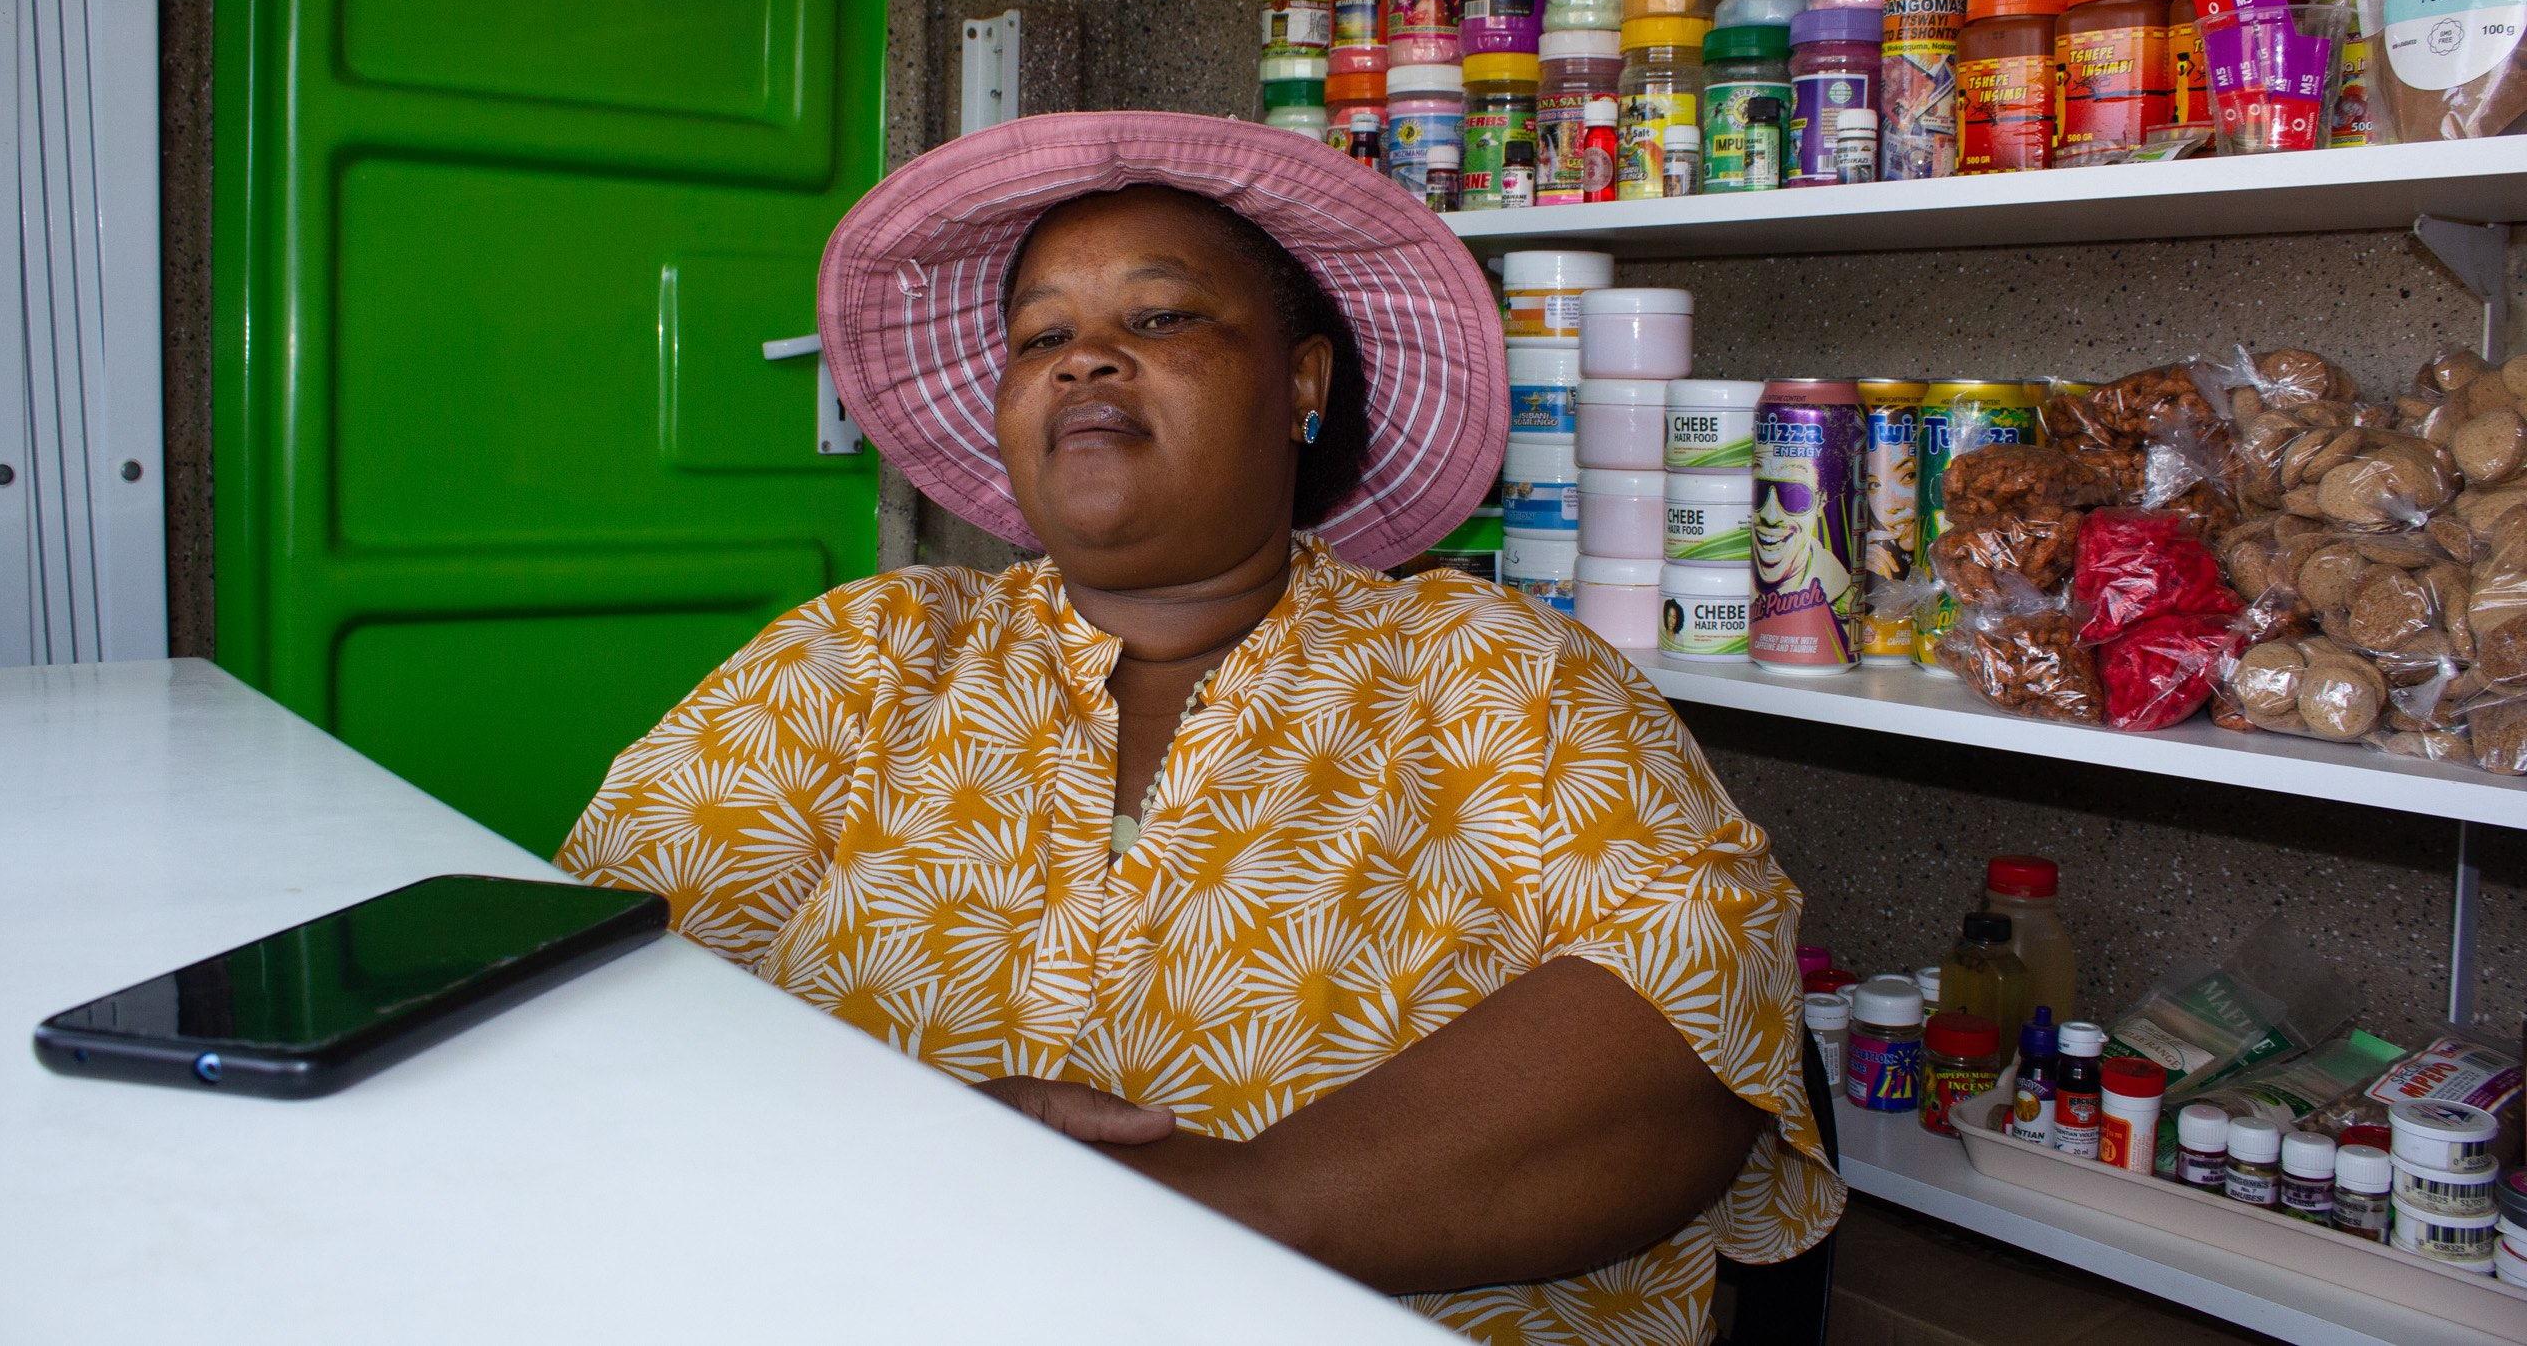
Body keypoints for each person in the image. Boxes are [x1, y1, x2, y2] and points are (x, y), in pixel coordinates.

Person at [559, 111, 1843, 1341]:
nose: (1082, 358)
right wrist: (897, 1176)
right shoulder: (863, 653)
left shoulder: (1483, 668)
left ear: (1301, 381)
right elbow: (588, 990)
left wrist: (1194, 1213)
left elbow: (1694, 998)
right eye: (1037, 335)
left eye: (1160, 317)